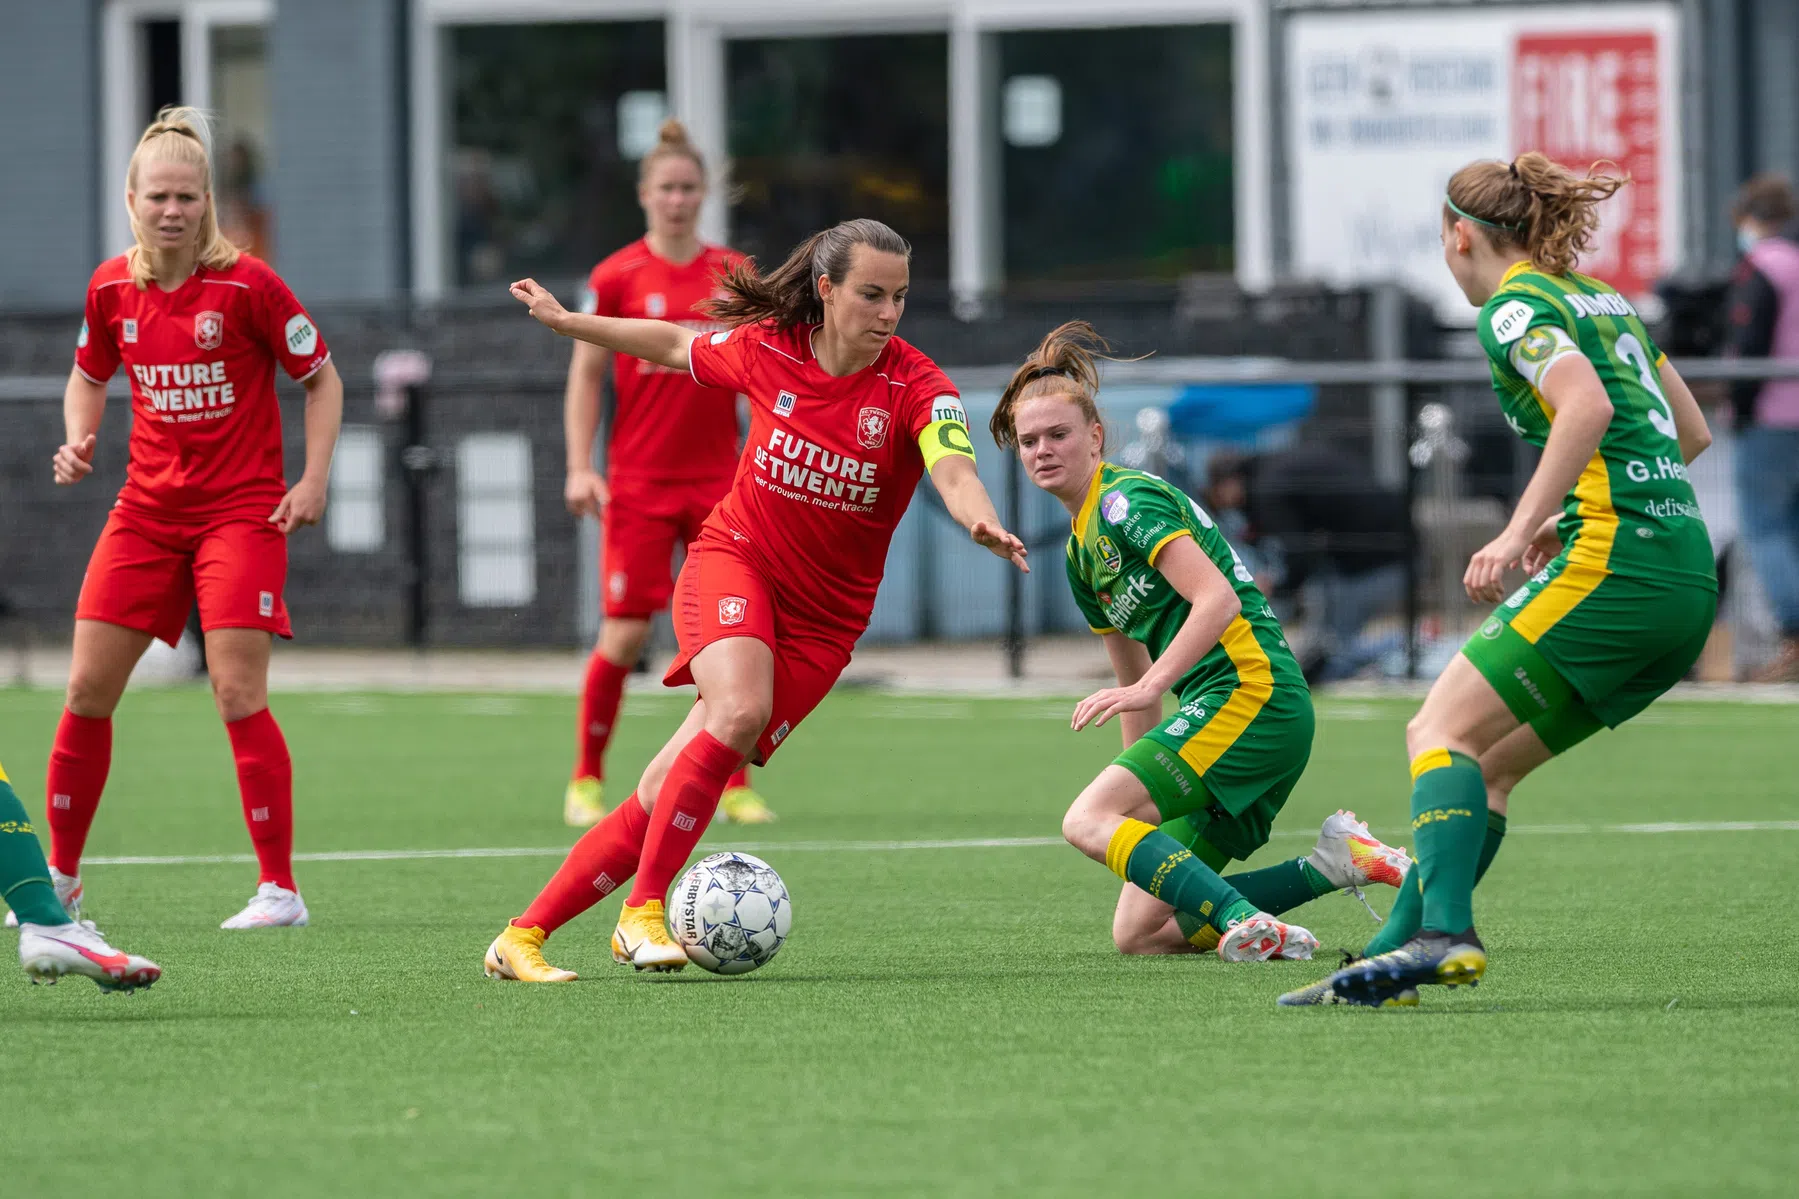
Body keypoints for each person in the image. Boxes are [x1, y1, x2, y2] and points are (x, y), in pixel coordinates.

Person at [484, 218, 1027, 980]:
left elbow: (953, 464)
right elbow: (674, 344)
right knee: (736, 710)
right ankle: (641, 912)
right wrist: (570, 322)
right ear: (827, 289)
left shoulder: (917, 387)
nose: (887, 313)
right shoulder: (770, 347)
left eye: (899, 297)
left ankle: (521, 936)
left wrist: (977, 514)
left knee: (658, 786)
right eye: (871, 294)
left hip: (825, 624)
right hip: (734, 562)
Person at [1282, 154, 1715, 1008]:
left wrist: (1520, 527)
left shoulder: (1517, 304)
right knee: (1485, 770)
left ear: (1460, 234)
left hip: (1619, 567)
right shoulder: (1601, 299)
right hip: (1682, 577)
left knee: (1435, 729)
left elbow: (1585, 406)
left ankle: (1444, 934)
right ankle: (1389, 951)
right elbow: (1687, 432)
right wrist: (1575, 510)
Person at [993, 322, 1413, 962]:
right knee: (1140, 933)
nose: (1042, 450)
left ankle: (1246, 920)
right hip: (1227, 716)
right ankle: (1335, 864)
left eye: (1059, 434)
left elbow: (1215, 600)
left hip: (1251, 695)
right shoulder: (1083, 555)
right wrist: (1140, 797)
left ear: (1096, 437)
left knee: (1082, 820)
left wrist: (1152, 685)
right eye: (1029, 441)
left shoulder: (1124, 502)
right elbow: (1134, 691)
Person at [31, 106, 343, 932]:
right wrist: (78, 439)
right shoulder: (109, 288)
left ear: (209, 202)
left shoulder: (249, 285)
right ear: (130, 199)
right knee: (86, 690)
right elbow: (86, 374)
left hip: (241, 513)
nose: (173, 211)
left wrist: (312, 479)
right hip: (144, 510)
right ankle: (59, 880)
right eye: (158, 196)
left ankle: (280, 890)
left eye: (188, 197)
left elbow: (322, 379)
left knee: (237, 691)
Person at [562, 119, 772, 828]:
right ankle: (586, 777)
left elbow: (760, 375)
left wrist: (760, 460)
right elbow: (587, 372)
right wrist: (577, 465)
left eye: (688, 187)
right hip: (640, 483)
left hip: (720, 483)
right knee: (623, 633)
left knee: (728, 633)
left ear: (704, 193)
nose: (677, 199)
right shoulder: (616, 275)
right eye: (666, 188)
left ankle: (734, 783)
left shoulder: (732, 274)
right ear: (644, 194)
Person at [1205, 446, 1409, 682]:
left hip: (1376, 562)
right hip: (1386, 550)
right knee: (1331, 640)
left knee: (1335, 650)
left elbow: (1299, 554)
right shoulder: (1275, 470)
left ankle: (1407, 644)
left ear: (1229, 482)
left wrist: (1276, 587)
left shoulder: (1269, 487)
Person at [1723, 173, 1799, 682]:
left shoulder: (1763, 268)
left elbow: (1750, 345)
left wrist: (1739, 407)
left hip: (1772, 417)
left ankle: (1794, 634)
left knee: (1765, 529)